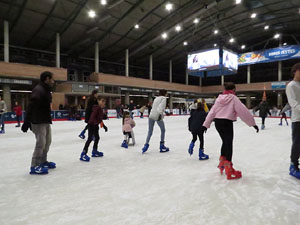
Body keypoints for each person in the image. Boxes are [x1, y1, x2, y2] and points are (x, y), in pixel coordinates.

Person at [203, 82, 259, 180]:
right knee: (228, 144)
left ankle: (222, 163)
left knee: (225, 142)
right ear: (233, 90)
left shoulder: (219, 99)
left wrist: (206, 124)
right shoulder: (233, 98)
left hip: (218, 123)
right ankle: (229, 169)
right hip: (227, 123)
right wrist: (252, 123)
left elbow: (212, 111)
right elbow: (243, 111)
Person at [21, 71, 55, 175]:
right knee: (41, 144)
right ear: (47, 79)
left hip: (45, 120)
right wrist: (27, 121)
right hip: (38, 120)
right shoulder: (39, 90)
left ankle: (42, 161)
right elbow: (32, 105)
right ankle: (34, 166)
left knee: (47, 142)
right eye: (52, 79)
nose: (53, 81)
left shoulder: (45, 90)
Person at [80, 96, 108, 162]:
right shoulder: (96, 107)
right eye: (102, 101)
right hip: (92, 125)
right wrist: (92, 124)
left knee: (97, 138)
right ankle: (83, 154)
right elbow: (93, 117)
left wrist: (104, 126)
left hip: (95, 125)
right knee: (90, 138)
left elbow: (99, 118)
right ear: (98, 101)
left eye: (104, 102)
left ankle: (94, 151)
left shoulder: (100, 108)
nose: (103, 103)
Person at [286, 63, 300, 179]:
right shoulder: (291, 85)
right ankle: (293, 166)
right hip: (297, 120)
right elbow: (294, 104)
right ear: (295, 71)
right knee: (297, 143)